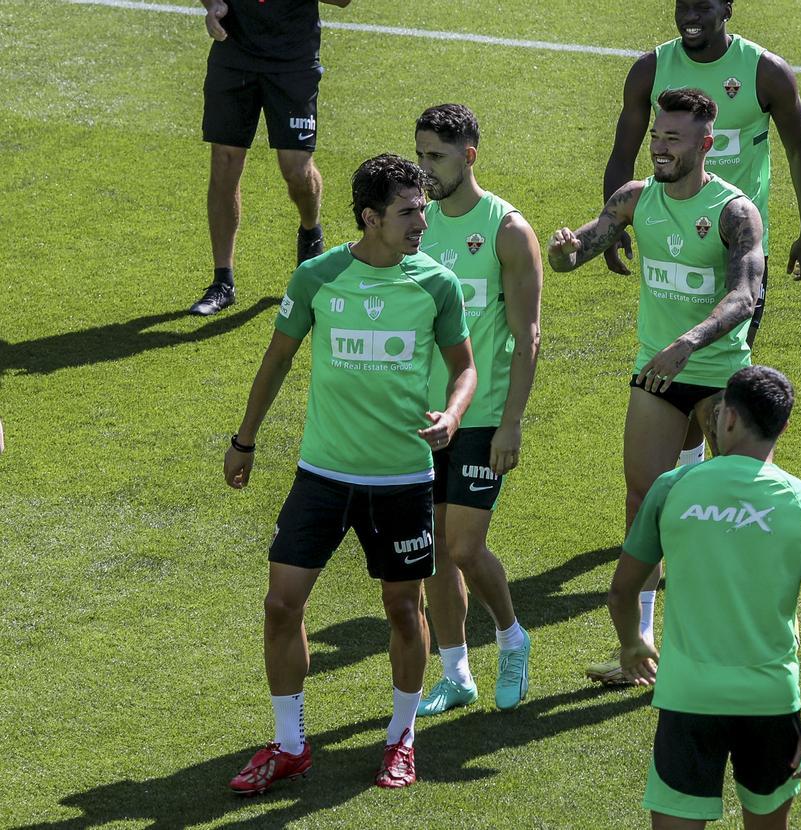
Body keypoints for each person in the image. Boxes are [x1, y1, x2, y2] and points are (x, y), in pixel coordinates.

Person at [222, 154, 476, 793]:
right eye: (408, 211)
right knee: (281, 606)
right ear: (370, 217)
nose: (422, 221)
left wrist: (451, 413)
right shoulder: (318, 277)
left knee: (401, 607)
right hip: (323, 475)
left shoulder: (436, 285)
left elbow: (466, 367)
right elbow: (278, 358)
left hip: (402, 479)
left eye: (422, 208)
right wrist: (244, 440)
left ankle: (401, 737)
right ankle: (289, 744)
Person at [548, 88, 765, 684]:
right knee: (643, 504)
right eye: (656, 136)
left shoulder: (734, 211)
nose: (661, 148)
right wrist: (562, 252)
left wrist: (689, 342)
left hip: (720, 378)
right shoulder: (634, 199)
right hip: (656, 375)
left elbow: (746, 294)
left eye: (673, 138)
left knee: (737, 511)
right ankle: (640, 647)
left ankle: (733, 646)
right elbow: (576, 256)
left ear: (706, 143)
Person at [608, 365, 801, 829]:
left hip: (688, 700)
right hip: (771, 702)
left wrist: (632, 644)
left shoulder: (672, 488)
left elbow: (622, 591)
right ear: (784, 425)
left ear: (727, 419)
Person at [602, 0, 801, 466]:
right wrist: (613, 224)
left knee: (712, 369)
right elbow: (623, 150)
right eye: (683, 5)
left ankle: (708, 480)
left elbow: (799, 150)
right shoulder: (650, 70)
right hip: (671, 241)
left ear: (728, 7)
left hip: (735, 251)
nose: (690, 15)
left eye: (703, 5)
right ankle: (690, 472)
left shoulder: (765, 72)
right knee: (671, 375)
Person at [411, 104, 543, 715]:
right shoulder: (416, 224)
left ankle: (512, 638)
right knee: (433, 548)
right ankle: (456, 672)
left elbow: (527, 335)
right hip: (422, 413)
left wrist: (511, 420)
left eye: (436, 156)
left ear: (469, 156)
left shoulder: (507, 230)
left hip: (483, 411)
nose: (425, 169)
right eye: (420, 156)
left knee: (464, 547)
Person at [191, 0, 351, 316]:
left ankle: (310, 230)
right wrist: (213, 6)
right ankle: (223, 281)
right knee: (224, 161)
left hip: (293, 61)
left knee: (296, 170)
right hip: (234, 53)